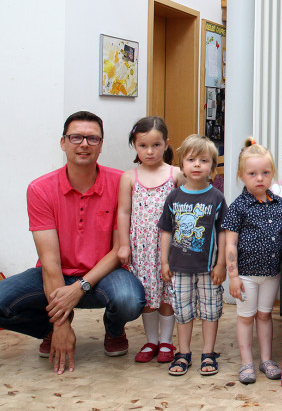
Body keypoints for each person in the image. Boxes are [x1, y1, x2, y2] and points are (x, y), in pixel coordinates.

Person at [0, 111, 145, 374]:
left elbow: (118, 249)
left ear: (101, 145)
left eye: (92, 138)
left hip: (105, 275)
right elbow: (50, 261)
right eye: (76, 137)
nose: (84, 144)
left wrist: (80, 287)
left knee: (130, 299)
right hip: (55, 275)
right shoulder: (40, 189)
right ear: (63, 142)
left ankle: (113, 330)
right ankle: (47, 328)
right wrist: (61, 325)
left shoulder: (121, 181)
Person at [117, 116, 185, 363]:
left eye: (156, 145)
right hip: (141, 247)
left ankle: (166, 340)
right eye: (143, 145)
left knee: (168, 293)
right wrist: (124, 244)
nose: (150, 151)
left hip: (170, 248)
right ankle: (151, 341)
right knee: (148, 294)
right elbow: (123, 212)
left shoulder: (176, 174)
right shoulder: (129, 177)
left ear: (166, 144)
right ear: (135, 145)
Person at [159, 135, 228, 376]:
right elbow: (166, 230)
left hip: (209, 269)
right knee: (183, 311)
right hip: (179, 268)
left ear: (212, 166)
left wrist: (221, 264)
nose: (197, 164)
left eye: (204, 160)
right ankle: (183, 352)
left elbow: (223, 233)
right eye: (191, 159)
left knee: (210, 311)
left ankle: (208, 353)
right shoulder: (174, 197)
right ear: (181, 165)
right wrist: (164, 261)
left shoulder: (217, 198)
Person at [223, 138, 282, 384]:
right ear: (241, 175)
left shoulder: (278, 204)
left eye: (265, 173)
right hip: (247, 275)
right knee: (246, 317)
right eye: (252, 173)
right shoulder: (239, 207)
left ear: (272, 174)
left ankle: (267, 360)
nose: (259, 178)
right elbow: (230, 244)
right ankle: (246, 362)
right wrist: (233, 276)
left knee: (265, 315)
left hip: (271, 274)